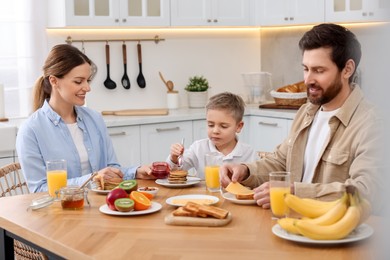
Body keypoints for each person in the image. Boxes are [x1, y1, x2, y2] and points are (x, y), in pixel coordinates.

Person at [220, 23, 384, 213]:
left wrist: (295, 192)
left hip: (335, 232)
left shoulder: (372, 123)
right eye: (306, 69)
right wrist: (245, 170)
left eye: (319, 70)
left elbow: (367, 191)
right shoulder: (306, 112)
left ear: (347, 69)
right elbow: (281, 161)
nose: (307, 80)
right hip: (289, 221)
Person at [16, 44, 154, 193]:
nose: (87, 88)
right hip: (59, 212)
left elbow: (111, 170)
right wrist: (93, 179)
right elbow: (39, 189)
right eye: (78, 81)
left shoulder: (94, 118)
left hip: (101, 207)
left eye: (88, 80)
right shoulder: (31, 130)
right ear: (54, 81)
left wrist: (134, 172)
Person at [167, 92, 257, 179]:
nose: (215, 131)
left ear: (238, 126)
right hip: (204, 194)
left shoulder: (249, 153)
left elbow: (257, 180)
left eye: (223, 126)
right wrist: (174, 158)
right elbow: (174, 171)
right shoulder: (198, 148)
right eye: (211, 125)